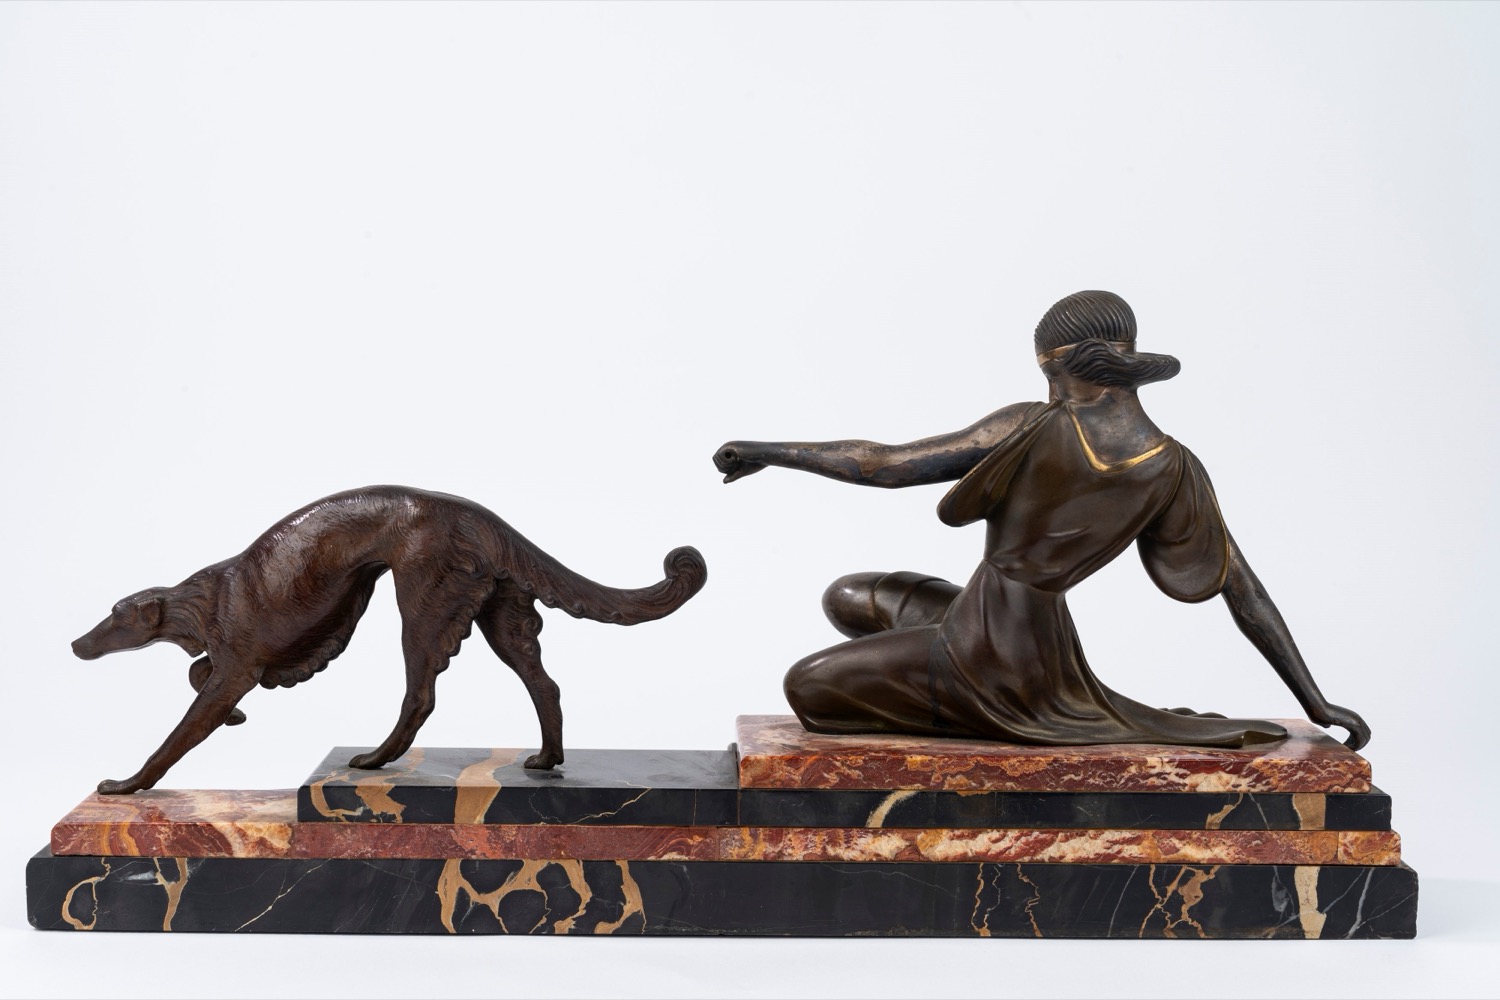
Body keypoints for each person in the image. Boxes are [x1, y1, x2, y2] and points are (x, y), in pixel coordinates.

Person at [714, 290, 1370, 750]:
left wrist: (769, 452)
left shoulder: (1033, 424)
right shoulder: (1175, 466)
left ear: (1063, 365)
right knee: (849, 595)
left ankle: (973, 706)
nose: (1048, 387)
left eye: (1048, 373)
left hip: (989, 654)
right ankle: (945, 675)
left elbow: (885, 464)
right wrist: (1314, 700)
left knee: (807, 686)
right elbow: (1243, 589)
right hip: (1024, 632)